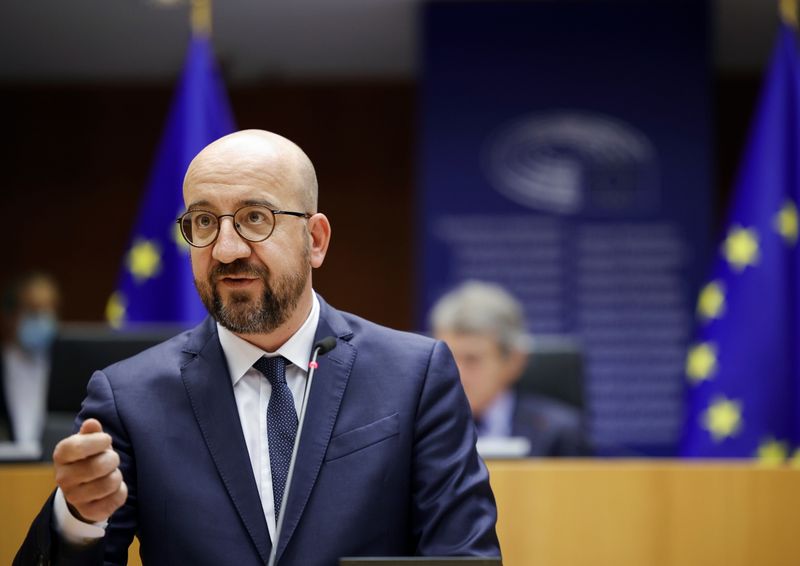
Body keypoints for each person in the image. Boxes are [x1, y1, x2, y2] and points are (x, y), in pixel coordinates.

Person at [15, 130, 499, 566]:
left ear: (315, 240)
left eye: (254, 218)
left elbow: (462, 556)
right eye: (204, 221)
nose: (226, 249)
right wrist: (78, 518)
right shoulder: (129, 397)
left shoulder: (414, 376)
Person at [430, 281, 590, 457]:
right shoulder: (422, 426)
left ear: (514, 361)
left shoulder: (559, 433)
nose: (457, 373)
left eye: (472, 359)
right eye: (447, 358)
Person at [1, 272, 60, 447]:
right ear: (10, 315)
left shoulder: (68, 368)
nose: (42, 320)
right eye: (34, 311)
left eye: (49, 311)